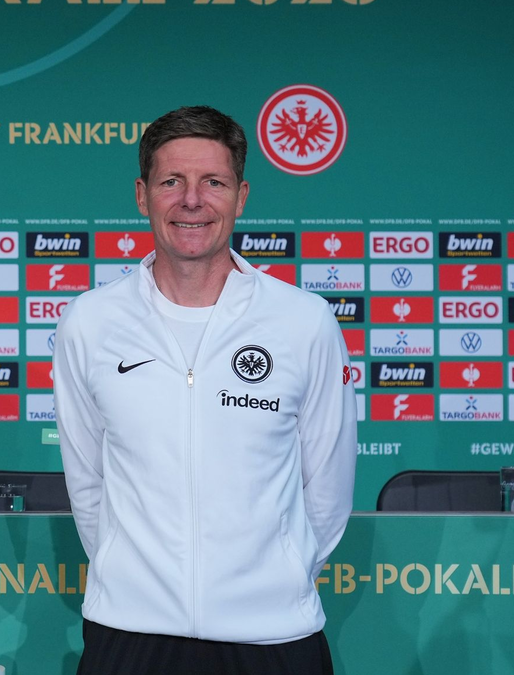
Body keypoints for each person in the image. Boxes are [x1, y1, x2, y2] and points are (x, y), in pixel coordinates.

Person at [54, 106, 356, 675]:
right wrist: (138, 580)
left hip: (274, 638)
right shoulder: (89, 323)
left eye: (212, 182)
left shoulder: (304, 322)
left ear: (241, 196)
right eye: (172, 181)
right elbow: (87, 482)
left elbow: (329, 488)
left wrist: (277, 578)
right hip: (130, 634)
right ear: (143, 196)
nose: (192, 200)